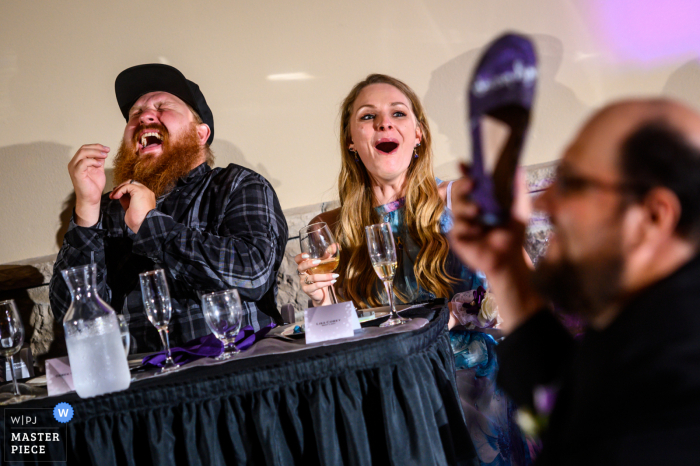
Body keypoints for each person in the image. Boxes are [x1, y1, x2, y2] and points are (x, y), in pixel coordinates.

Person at [295, 74, 532, 465]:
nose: (384, 124)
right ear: (352, 142)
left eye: (398, 113)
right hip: (393, 400)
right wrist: (323, 300)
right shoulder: (329, 227)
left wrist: (467, 312)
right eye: (368, 117)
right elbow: (338, 348)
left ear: (418, 134)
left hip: (476, 397)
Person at [449, 98, 700, 465]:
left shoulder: (674, 399)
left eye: (571, 183)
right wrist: (505, 266)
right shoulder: (646, 324)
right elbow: (567, 403)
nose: (543, 203)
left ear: (653, 216)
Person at [50, 64, 288, 353]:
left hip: (236, 370)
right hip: (146, 383)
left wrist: (150, 226)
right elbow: (72, 318)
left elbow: (254, 273)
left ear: (200, 134)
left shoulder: (237, 185)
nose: (145, 116)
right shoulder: (109, 210)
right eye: (135, 113)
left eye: (162, 106)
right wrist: (86, 211)